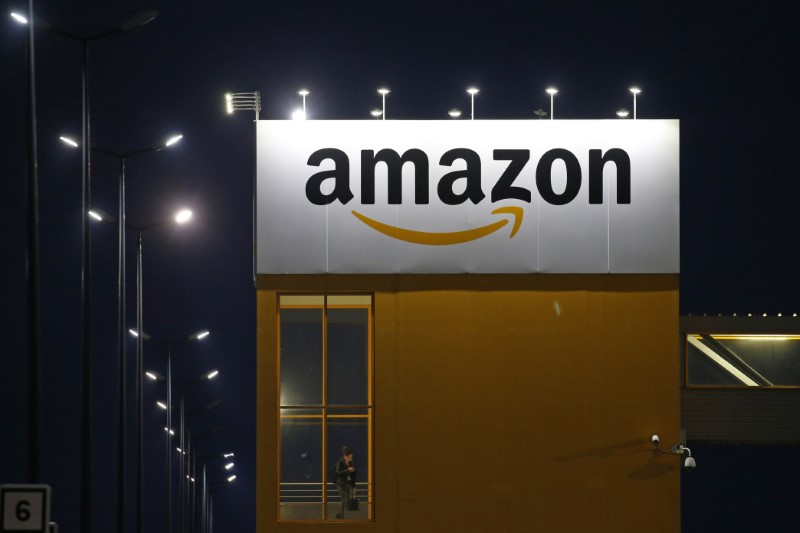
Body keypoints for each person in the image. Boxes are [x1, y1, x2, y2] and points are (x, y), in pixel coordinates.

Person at [334, 445, 356, 519]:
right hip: (341, 484)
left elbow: (353, 474)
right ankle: (341, 517)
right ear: (345, 456)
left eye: (351, 457)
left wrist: (353, 471)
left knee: (348, 501)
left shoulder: (350, 462)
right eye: (349, 457)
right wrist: (347, 470)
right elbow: (337, 473)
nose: (350, 458)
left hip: (347, 483)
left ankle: (340, 514)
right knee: (343, 501)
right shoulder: (340, 462)